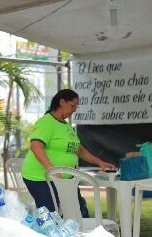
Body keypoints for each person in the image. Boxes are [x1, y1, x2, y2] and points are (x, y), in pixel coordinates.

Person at [21, 89, 116, 217]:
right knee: (50, 217)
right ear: (62, 102)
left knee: (79, 212)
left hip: (65, 179)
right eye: (73, 105)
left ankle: (82, 236)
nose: (75, 109)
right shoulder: (46, 122)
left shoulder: (66, 126)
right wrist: (52, 169)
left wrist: (100, 163)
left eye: (77, 106)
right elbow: (35, 146)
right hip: (40, 178)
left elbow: (79, 150)